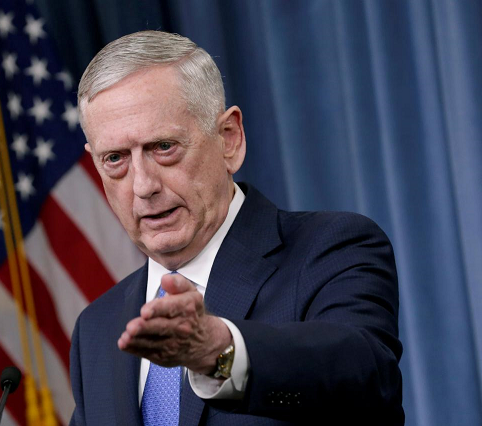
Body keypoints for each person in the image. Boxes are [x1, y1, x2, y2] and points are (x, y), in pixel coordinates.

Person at [69, 30, 403, 425]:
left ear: (229, 139)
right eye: (115, 159)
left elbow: (366, 378)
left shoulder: (331, 250)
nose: (143, 186)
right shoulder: (96, 328)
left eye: (163, 148)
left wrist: (221, 353)